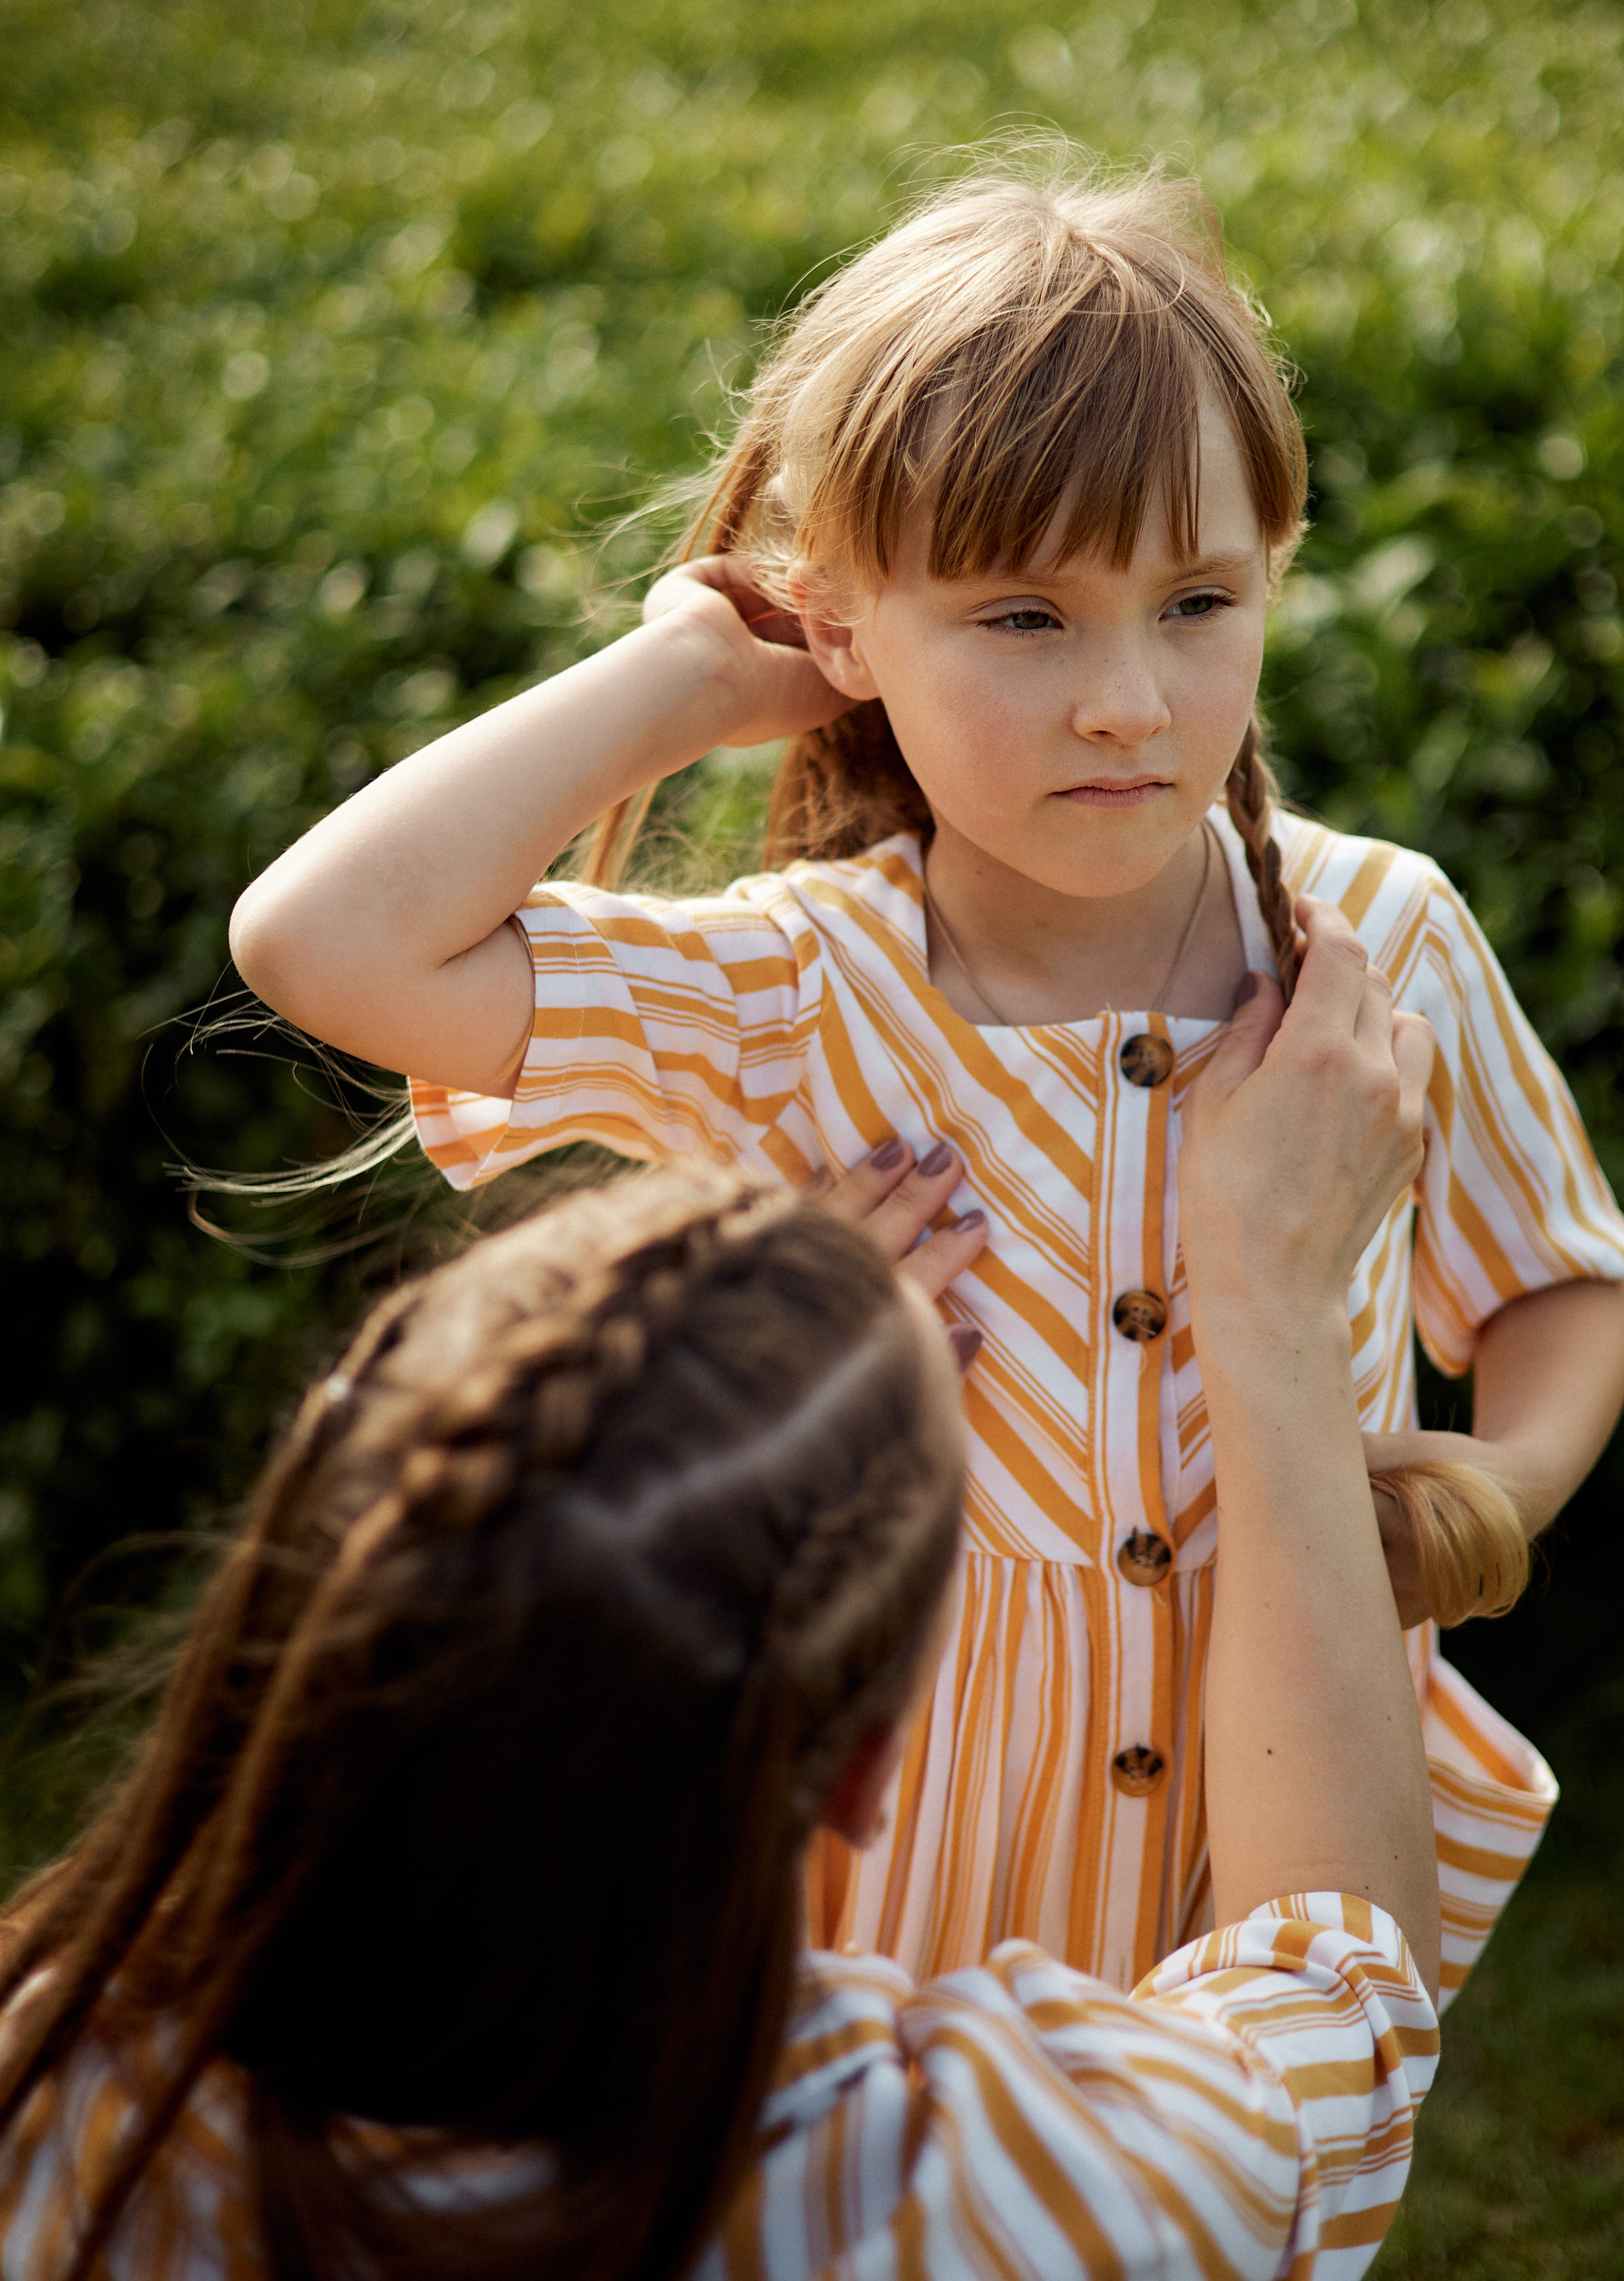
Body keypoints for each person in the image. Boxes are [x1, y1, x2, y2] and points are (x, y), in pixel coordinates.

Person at [228, 154, 1624, 2002]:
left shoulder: (1376, 948)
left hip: (1289, 1839)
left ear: (1278, 573)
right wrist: (674, 681)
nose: (1127, 698)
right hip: (890, 1891)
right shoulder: (790, 991)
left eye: (1199, 599)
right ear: (841, 627)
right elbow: (322, 941)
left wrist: (1504, 1482)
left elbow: (1555, 1276)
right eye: (1023, 617)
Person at [0, 910, 1441, 2281]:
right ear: (869, 1768)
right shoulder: (973, 2184)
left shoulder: (66, 2105)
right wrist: (1271, 1300)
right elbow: (1343, 2005)